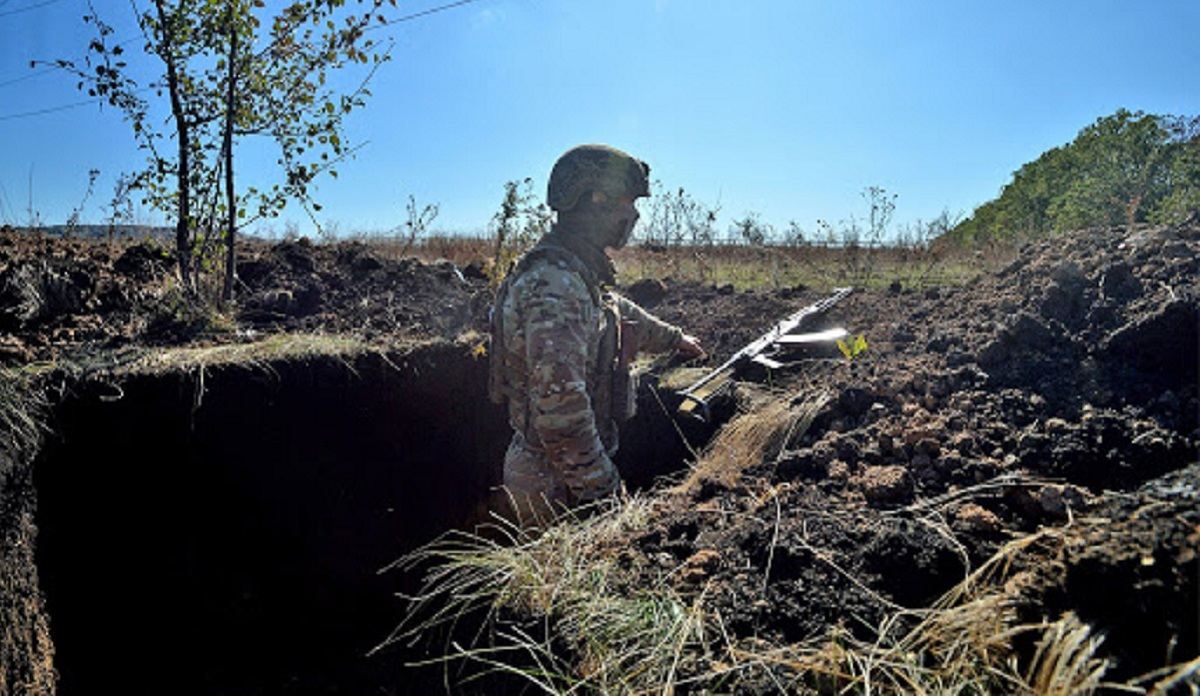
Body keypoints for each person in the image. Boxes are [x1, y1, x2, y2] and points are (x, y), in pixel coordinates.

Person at [488, 144, 704, 522]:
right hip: (555, 483)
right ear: (594, 202)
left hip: (565, 473)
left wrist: (674, 339)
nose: (634, 214)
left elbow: (615, 309)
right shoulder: (554, 286)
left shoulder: (574, 272)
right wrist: (605, 494)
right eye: (626, 201)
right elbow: (562, 413)